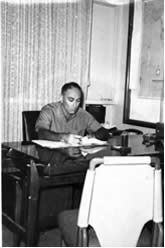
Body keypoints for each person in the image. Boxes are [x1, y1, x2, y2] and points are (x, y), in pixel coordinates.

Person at [35, 82, 110, 145]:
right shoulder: (49, 110)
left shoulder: (83, 114)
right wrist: (63, 137)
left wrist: (94, 136)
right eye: (71, 100)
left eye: (78, 101)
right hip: (51, 156)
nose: (75, 105)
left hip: (74, 158)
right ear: (61, 98)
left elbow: (104, 132)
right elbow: (41, 133)